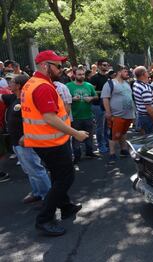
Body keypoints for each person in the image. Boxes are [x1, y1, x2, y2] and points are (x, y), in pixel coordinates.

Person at [21, 50, 89, 236]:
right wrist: (76, 133)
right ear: (45, 66)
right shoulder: (43, 87)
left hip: (43, 141)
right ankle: (44, 219)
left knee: (58, 177)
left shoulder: (32, 84)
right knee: (66, 178)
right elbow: (49, 118)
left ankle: (66, 207)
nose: (61, 69)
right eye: (57, 66)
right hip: (51, 143)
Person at [0, 74, 51, 203]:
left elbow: (39, 119)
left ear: (18, 86)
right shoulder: (12, 98)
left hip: (26, 141)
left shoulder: (28, 99)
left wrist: (26, 135)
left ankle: (49, 198)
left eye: (11, 82)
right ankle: (37, 193)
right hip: (16, 141)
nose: (8, 84)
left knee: (36, 169)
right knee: (29, 170)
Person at [101, 65, 135, 165]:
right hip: (116, 115)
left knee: (123, 132)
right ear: (119, 72)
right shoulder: (110, 83)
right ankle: (112, 154)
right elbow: (105, 98)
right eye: (125, 71)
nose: (127, 73)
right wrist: (108, 112)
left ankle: (123, 150)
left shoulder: (127, 83)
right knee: (114, 134)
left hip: (128, 115)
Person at [67, 68, 99, 164]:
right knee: (76, 138)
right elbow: (62, 99)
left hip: (88, 115)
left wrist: (91, 98)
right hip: (75, 117)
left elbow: (96, 96)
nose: (81, 76)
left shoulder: (89, 85)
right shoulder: (68, 86)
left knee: (89, 136)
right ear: (74, 75)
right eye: (79, 74)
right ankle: (77, 156)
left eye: (83, 74)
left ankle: (89, 152)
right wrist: (72, 99)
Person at [132, 66, 153, 135]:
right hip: (148, 117)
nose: (148, 73)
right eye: (147, 72)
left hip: (143, 115)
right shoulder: (144, 89)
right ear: (144, 74)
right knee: (151, 138)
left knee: (145, 137)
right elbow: (149, 107)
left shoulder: (136, 83)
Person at [90, 59, 110, 153]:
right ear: (99, 66)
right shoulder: (94, 78)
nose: (106, 67)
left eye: (107, 65)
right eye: (104, 65)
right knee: (100, 127)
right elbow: (92, 92)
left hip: (106, 105)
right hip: (97, 105)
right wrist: (104, 92)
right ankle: (100, 145)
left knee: (106, 126)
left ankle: (106, 142)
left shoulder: (107, 77)